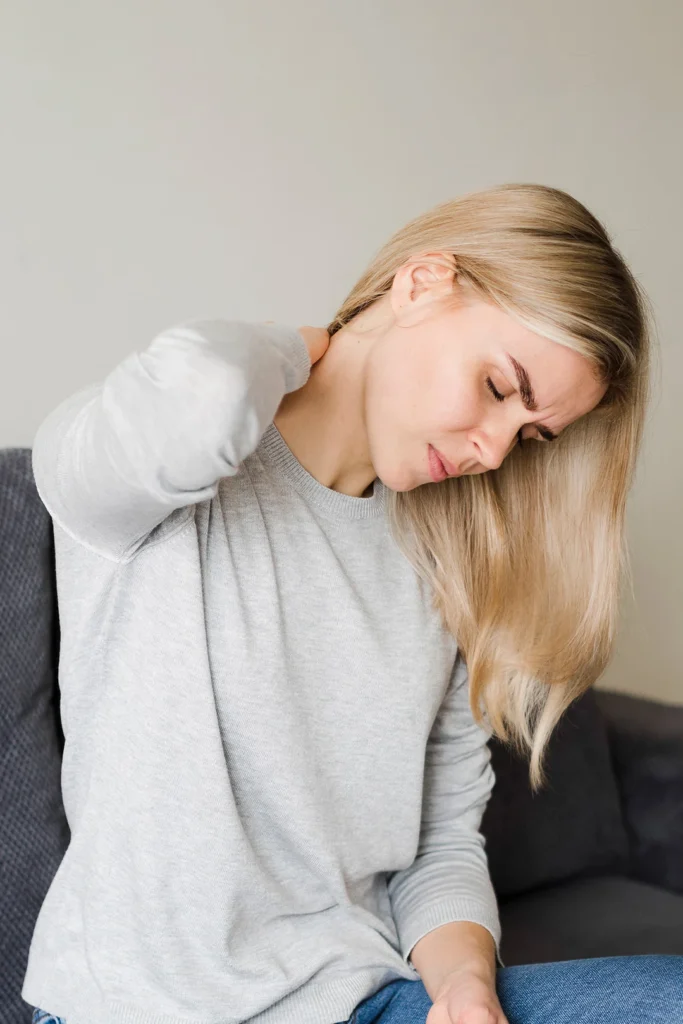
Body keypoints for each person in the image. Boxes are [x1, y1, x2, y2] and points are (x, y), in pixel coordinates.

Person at [23, 183, 681, 1024]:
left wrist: (466, 992)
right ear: (421, 283)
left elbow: (437, 848)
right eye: (494, 385)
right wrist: (312, 345)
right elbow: (200, 389)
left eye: (527, 435)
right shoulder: (143, 476)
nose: (491, 449)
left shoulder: (443, 565)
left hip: (363, 1000)